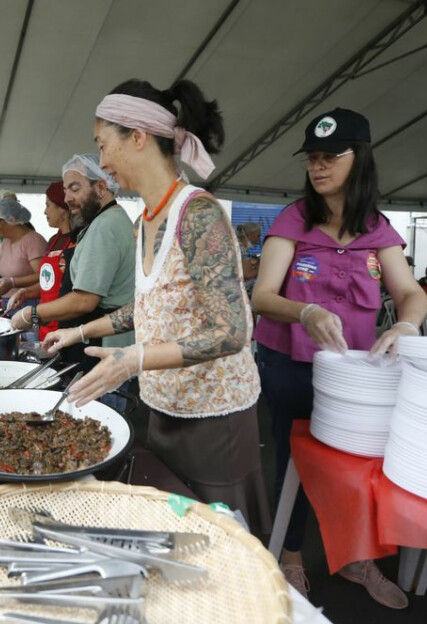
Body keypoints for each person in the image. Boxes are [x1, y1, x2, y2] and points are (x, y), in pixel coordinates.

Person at [41, 78, 270, 537]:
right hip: (162, 406)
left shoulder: (197, 214)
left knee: (219, 543)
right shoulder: (144, 220)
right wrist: (80, 333)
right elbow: (145, 308)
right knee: (173, 540)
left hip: (213, 418)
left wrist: (135, 359)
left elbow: (232, 331)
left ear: (138, 137)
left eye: (104, 145)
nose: (103, 162)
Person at [251, 108, 427, 607]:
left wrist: (406, 323)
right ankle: (289, 558)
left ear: (361, 158)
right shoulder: (293, 220)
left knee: (358, 464)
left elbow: (412, 293)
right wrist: (303, 310)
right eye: (312, 157)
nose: (318, 166)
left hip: (356, 373)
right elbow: (262, 296)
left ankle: (356, 559)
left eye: (331, 156)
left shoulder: (379, 228)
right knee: (294, 462)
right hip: (290, 364)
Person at [11, 156, 136, 372]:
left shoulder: (104, 226)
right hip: (96, 340)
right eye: (66, 190)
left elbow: (84, 300)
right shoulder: (109, 219)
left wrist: (31, 314)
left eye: (75, 189)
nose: (67, 198)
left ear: (101, 187)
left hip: (99, 349)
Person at [4, 181, 77, 320]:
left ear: (62, 208)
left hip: (66, 321)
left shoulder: (78, 241)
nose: (45, 211)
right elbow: (47, 283)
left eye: (48, 205)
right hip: (45, 318)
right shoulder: (53, 240)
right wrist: (25, 292)